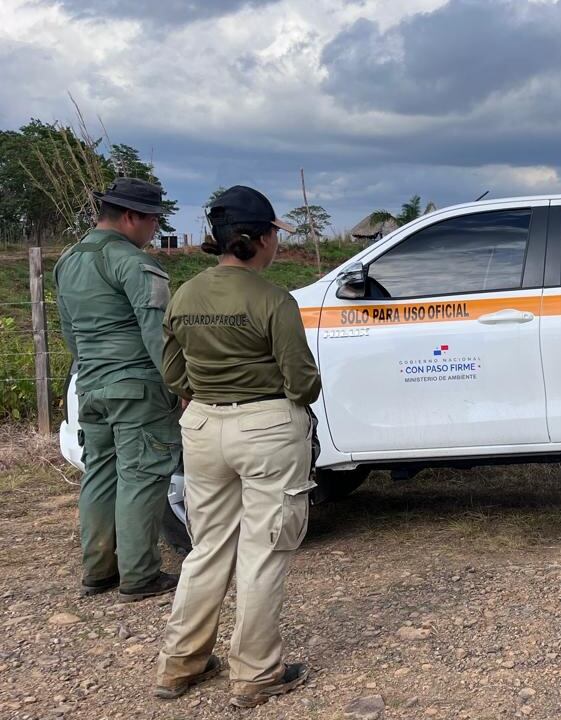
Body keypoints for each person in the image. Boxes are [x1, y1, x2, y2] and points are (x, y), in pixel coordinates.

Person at [154, 186, 320, 708]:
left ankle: (182, 663)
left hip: (202, 427)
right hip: (266, 427)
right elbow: (303, 382)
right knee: (264, 549)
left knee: (206, 548)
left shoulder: (185, 295)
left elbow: (173, 371)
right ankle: (255, 674)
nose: (276, 243)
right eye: (274, 233)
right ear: (259, 239)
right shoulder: (273, 300)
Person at [54, 178, 182, 602]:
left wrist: (92, 370)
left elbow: (69, 331)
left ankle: (98, 571)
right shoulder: (132, 262)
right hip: (137, 386)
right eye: (153, 220)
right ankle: (140, 575)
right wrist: (179, 385)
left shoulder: (68, 261)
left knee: (100, 475)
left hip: (91, 383)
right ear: (131, 217)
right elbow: (156, 332)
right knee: (142, 476)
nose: (155, 229)